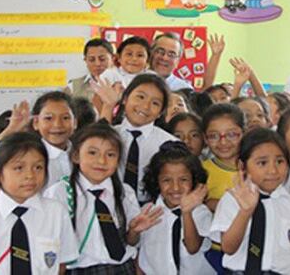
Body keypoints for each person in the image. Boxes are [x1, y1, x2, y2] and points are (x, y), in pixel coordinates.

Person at [45, 122, 162, 273]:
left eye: (111, 154)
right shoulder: (58, 193)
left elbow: (131, 242)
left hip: (122, 268)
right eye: (92, 153)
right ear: (75, 156)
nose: (101, 161)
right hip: (79, 270)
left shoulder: (124, 192)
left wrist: (134, 231)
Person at [0, 132, 79, 274]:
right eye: (19, 168)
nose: (30, 176)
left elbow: (61, 263)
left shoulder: (56, 212)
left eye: (38, 167)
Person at [211, 128, 290, 274]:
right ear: (242, 166)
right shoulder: (232, 200)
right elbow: (228, 248)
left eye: (280, 161)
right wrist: (245, 212)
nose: (272, 170)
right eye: (262, 163)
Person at [140, 141, 214, 274]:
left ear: (194, 180)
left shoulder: (200, 212)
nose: (175, 187)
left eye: (183, 180)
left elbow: (192, 247)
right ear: (156, 181)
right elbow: (139, 250)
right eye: (167, 180)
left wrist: (186, 212)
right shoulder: (148, 211)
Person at [114, 74, 177, 203]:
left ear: (161, 112)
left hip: (154, 211)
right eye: (140, 97)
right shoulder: (109, 135)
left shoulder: (170, 144)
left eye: (155, 103)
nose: (145, 106)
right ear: (125, 98)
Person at [202, 103, 245, 212]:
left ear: (244, 133)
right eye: (214, 136)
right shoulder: (201, 172)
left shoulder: (256, 167)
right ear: (205, 138)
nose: (223, 142)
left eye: (231, 134)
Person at [150, 32, 225, 91]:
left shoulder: (184, 88)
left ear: (177, 61)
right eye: (160, 51)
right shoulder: (138, 78)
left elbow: (205, 92)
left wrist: (215, 56)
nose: (165, 58)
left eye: (171, 55)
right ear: (151, 53)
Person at [32, 91, 76, 189]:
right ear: (36, 122)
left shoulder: (83, 154)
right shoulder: (31, 158)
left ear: (75, 123)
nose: (57, 125)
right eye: (48, 118)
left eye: (65, 118)